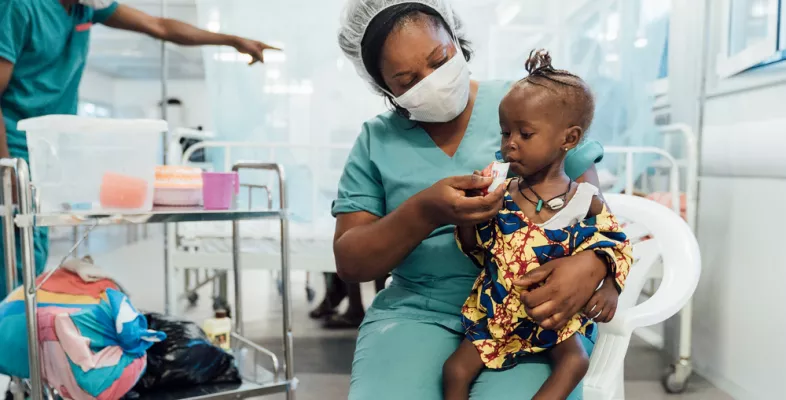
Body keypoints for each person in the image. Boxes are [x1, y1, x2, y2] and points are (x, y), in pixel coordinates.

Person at [333, 1, 617, 398]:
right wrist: (425, 210)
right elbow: (351, 263)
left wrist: (589, 266)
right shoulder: (375, 141)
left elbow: (592, 212)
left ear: (455, 38)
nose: (431, 80)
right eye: (405, 78)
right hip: (418, 314)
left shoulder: (530, 106)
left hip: (529, 308)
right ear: (384, 87)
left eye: (439, 59)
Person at [0, 0, 280, 298]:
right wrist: (7, 171)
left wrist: (230, 40)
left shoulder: (86, 8)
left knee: (32, 254)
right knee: (15, 258)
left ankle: (18, 328)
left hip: (51, 151)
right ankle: (12, 331)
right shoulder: (20, 7)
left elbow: (160, 26)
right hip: (15, 147)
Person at [443, 50, 633, 400]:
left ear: (569, 139)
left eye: (525, 134)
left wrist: (610, 288)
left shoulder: (584, 200)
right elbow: (475, 249)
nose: (509, 143)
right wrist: (471, 216)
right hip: (499, 314)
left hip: (553, 318)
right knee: (454, 370)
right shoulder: (505, 195)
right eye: (505, 133)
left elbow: (617, 245)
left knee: (574, 361)